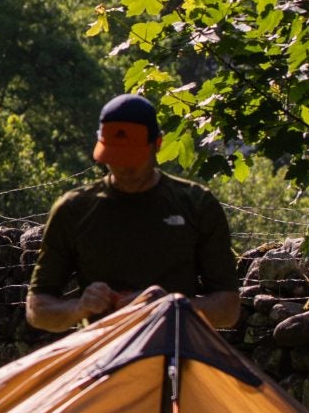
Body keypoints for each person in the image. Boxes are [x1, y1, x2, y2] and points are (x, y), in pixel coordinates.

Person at [26, 94, 243, 333]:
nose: (123, 168)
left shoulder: (197, 204)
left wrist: (168, 307)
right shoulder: (73, 209)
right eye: (115, 157)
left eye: (132, 158)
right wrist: (79, 307)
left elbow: (228, 309)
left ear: (157, 144)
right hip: (102, 359)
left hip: (176, 355)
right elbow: (38, 310)